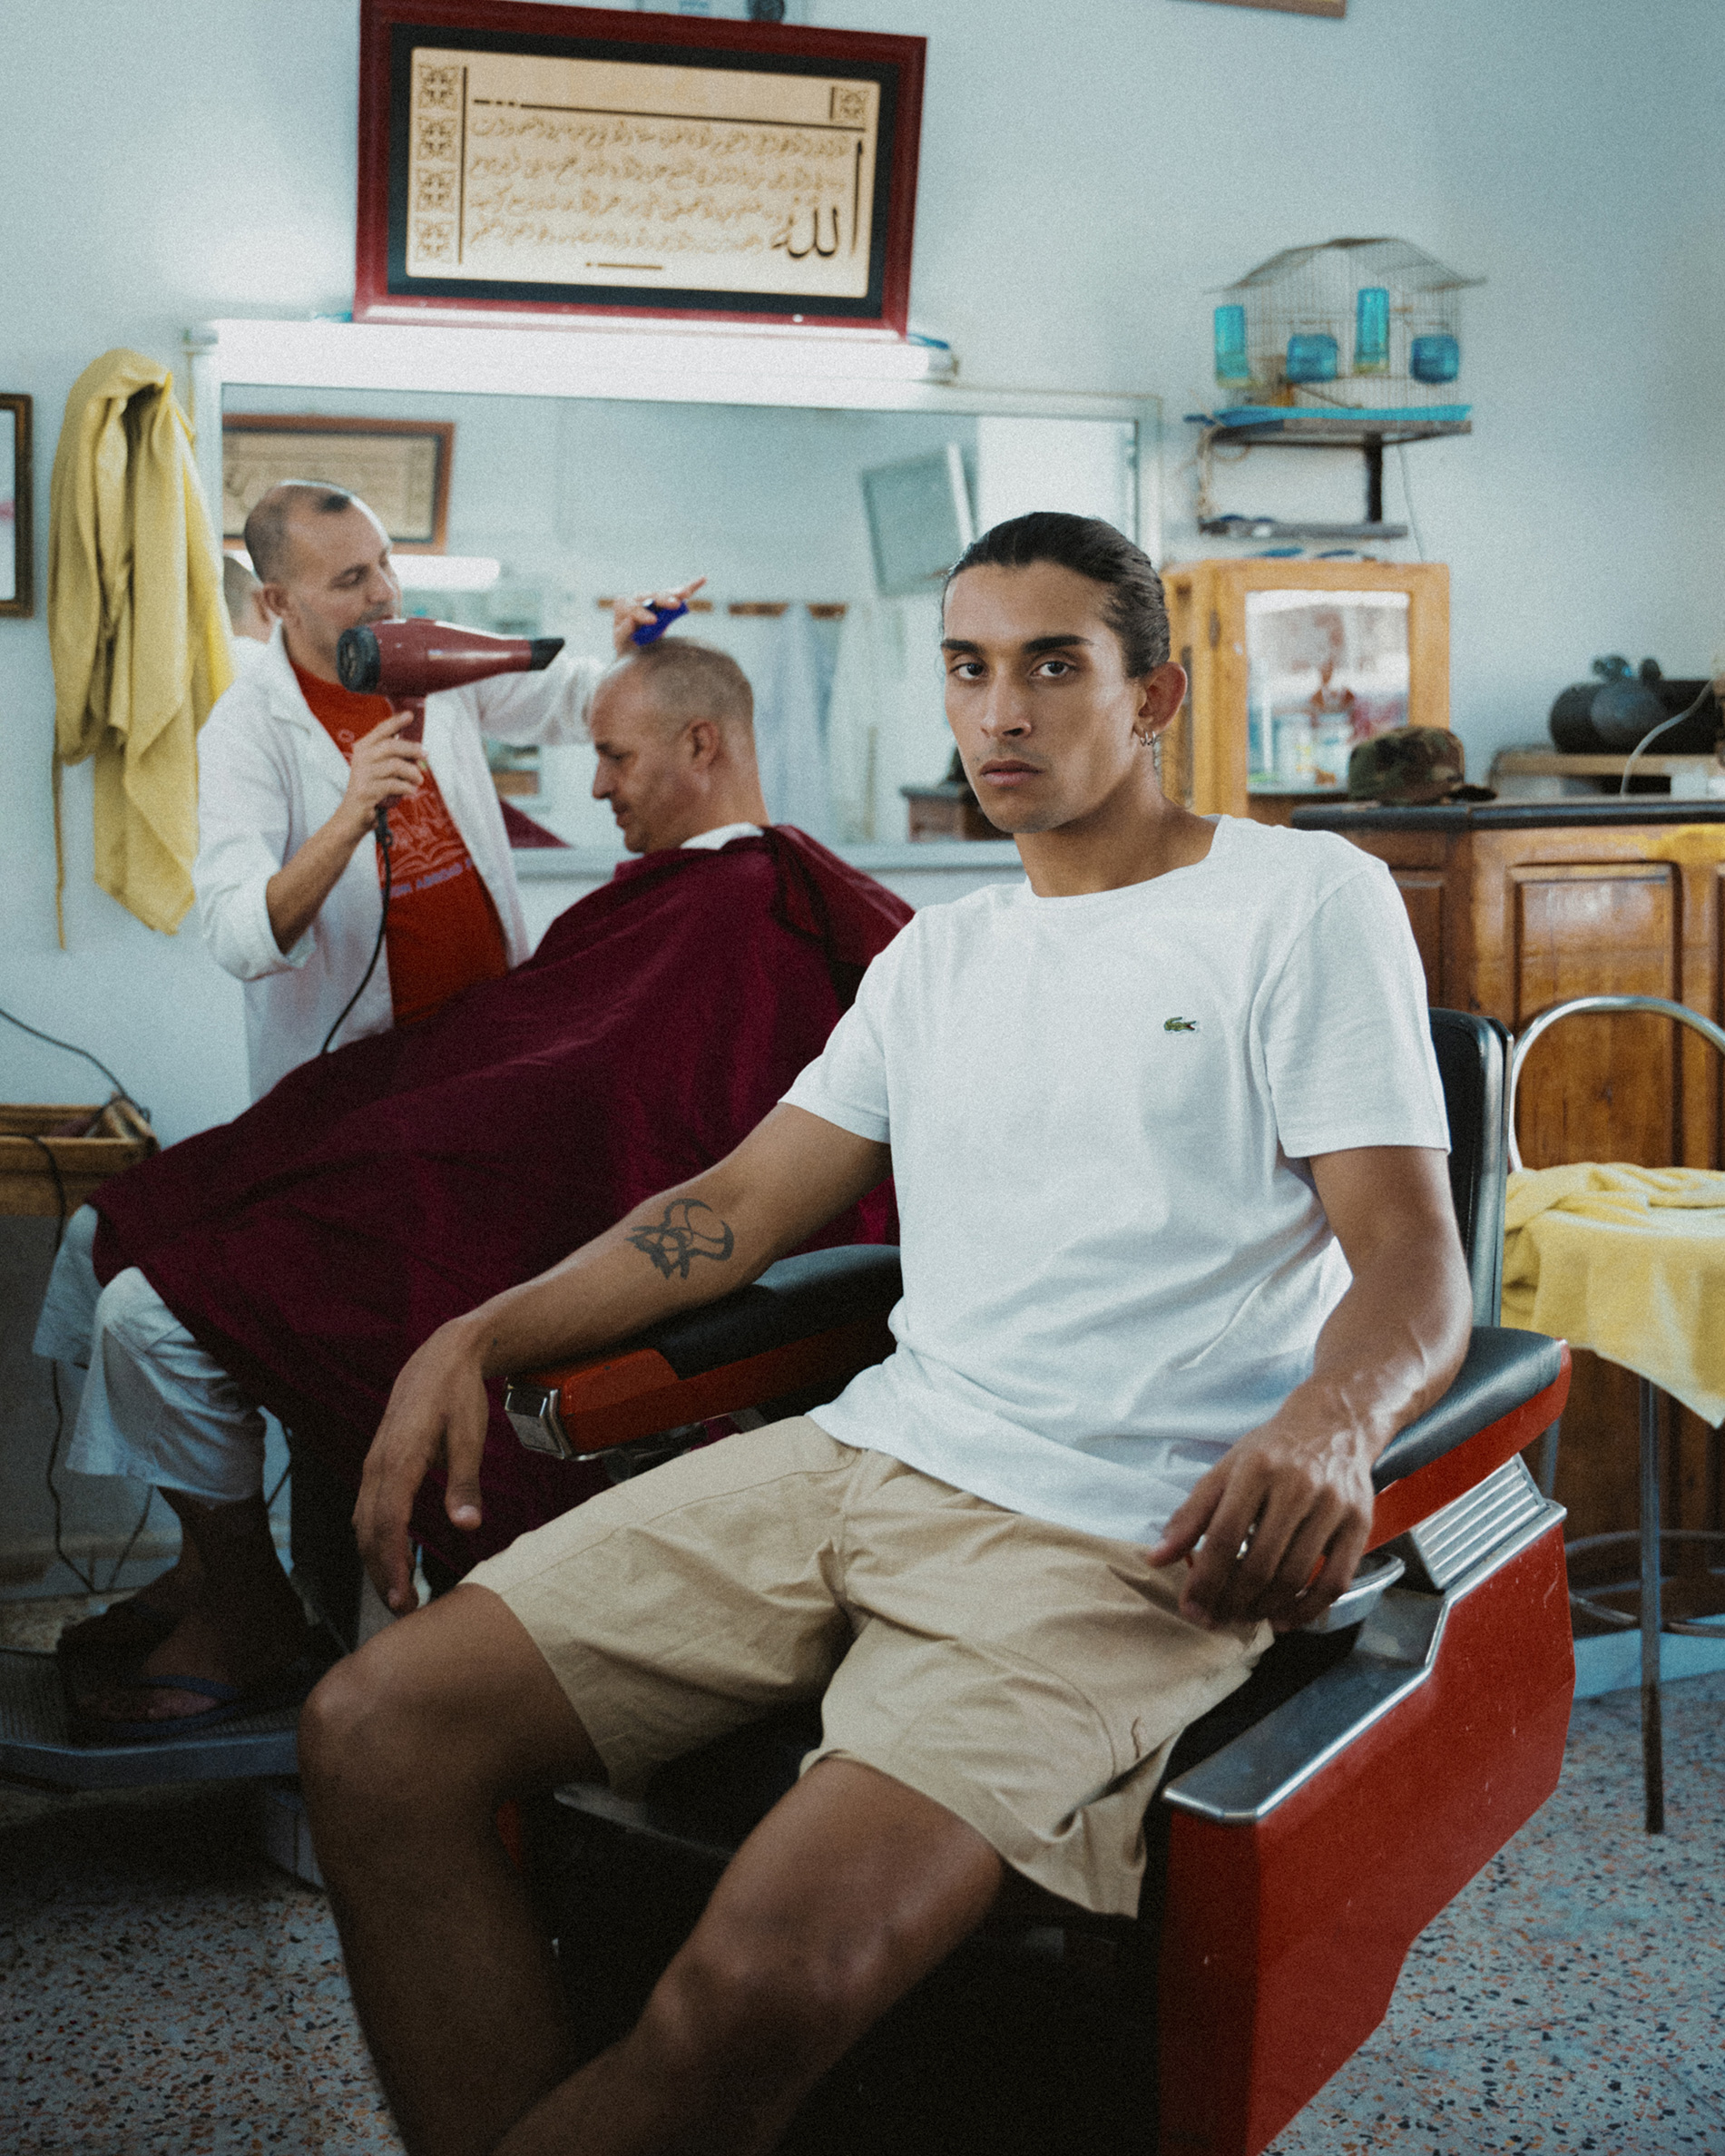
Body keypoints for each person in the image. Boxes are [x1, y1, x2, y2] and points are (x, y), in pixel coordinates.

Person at [296, 511, 1472, 2156]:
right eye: (969, 670)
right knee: (371, 1733)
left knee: (761, 1983)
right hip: (867, 1462)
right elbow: (735, 1208)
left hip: (1106, 1539)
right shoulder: (941, 959)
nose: (1002, 713)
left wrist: (1333, 1418)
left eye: (1053, 666)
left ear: (1153, 695)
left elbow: (1414, 1262)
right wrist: (476, 1338)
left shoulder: (1297, 899)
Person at [37, 642, 908, 1737]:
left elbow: (618, 1116)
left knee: (150, 1302)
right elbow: (545, 1066)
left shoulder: (740, 908)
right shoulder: (691, 898)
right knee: (112, 1233)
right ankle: (216, 1575)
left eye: (614, 756)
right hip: (475, 1178)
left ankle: (246, 1605)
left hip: (539, 1224)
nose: (597, 785)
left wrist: (407, 1138)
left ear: (701, 744)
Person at [195, 477, 703, 1098]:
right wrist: (349, 820)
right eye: (350, 580)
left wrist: (632, 656)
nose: (384, 592)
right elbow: (238, 937)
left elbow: (579, 703)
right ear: (278, 602)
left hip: (485, 1043)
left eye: (385, 562)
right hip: (354, 1079)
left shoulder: (429, 655)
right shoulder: (244, 731)